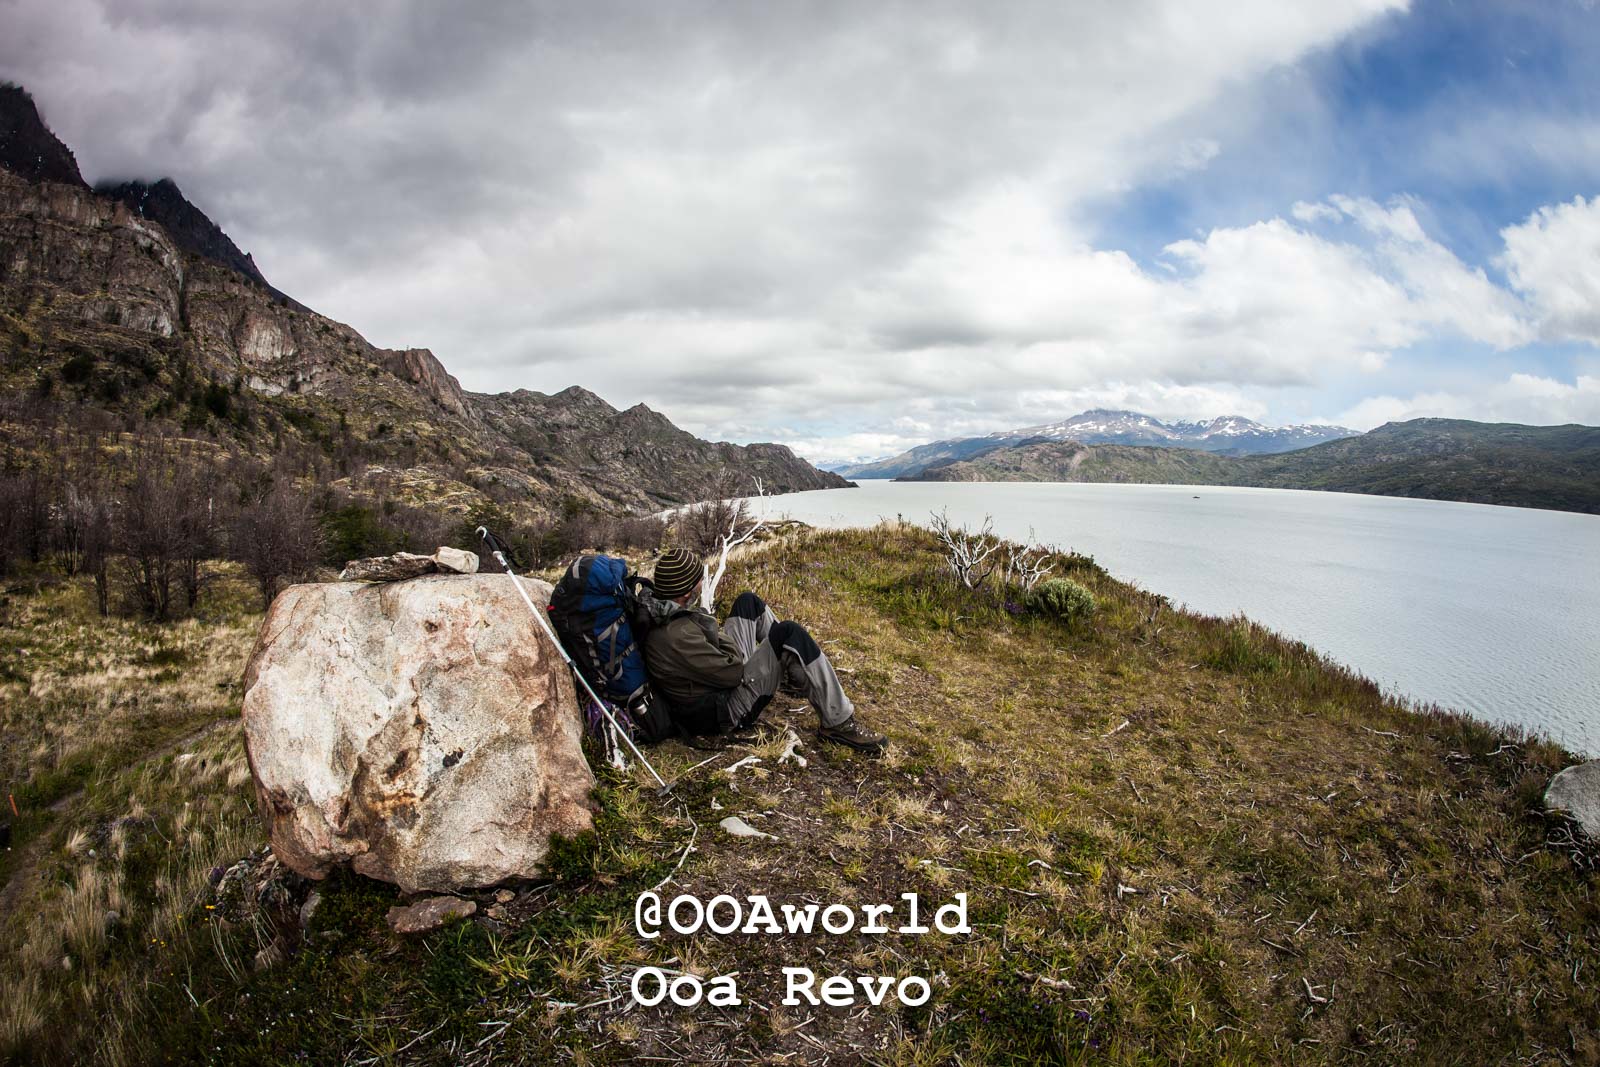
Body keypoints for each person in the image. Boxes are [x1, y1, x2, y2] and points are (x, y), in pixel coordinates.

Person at [643, 547, 888, 754]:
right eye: (698, 579)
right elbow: (733, 671)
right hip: (725, 710)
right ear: (687, 591)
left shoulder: (667, 614)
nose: (701, 583)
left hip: (715, 681)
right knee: (789, 633)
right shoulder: (677, 635)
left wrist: (707, 628)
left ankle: (793, 670)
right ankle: (839, 723)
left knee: (748, 602)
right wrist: (713, 629)